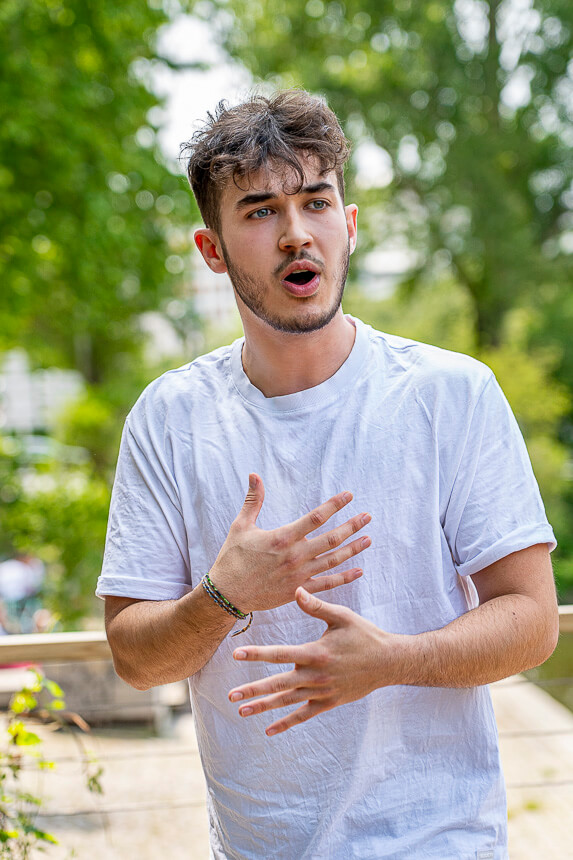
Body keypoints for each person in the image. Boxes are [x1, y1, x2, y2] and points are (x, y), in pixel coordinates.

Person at [97, 90, 558, 859]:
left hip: (439, 843)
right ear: (211, 249)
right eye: (258, 212)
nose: (294, 234)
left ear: (347, 226)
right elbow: (136, 658)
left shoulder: (450, 392)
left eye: (315, 202)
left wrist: (393, 662)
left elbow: (532, 620)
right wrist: (223, 597)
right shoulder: (169, 416)